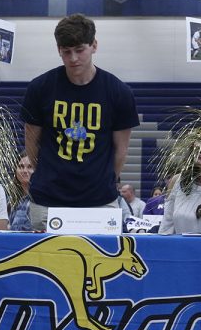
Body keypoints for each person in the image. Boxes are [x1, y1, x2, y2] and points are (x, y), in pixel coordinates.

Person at [21, 14, 139, 231]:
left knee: (102, 263)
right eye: (66, 51)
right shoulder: (40, 88)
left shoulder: (119, 93)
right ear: (59, 50)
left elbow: (120, 153)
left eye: (79, 49)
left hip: (100, 201)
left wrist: (99, 181)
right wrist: (50, 174)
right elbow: (31, 144)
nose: (73, 58)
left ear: (94, 46)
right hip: (48, 199)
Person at [9, 153, 34, 232]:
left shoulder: (43, 199)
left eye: (30, 167)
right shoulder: (10, 200)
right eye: (21, 167)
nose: (25, 171)